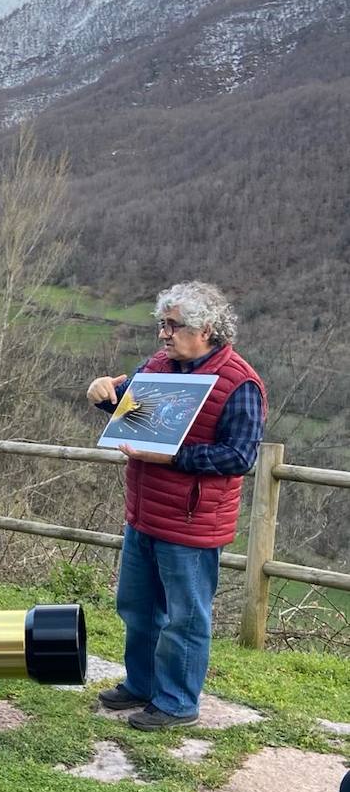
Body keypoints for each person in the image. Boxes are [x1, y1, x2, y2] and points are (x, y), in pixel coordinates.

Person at [86, 281, 266, 731]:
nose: (164, 335)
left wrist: (176, 458)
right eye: (162, 325)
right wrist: (104, 395)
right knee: (138, 606)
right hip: (145, 512)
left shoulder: (240, 382)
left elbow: (240, 456)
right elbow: (136, 421)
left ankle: (178, 702)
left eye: (173, 326)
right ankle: (143, 684)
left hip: (192, 521)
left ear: (206, 329)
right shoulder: (157, 367)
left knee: (184, 617)